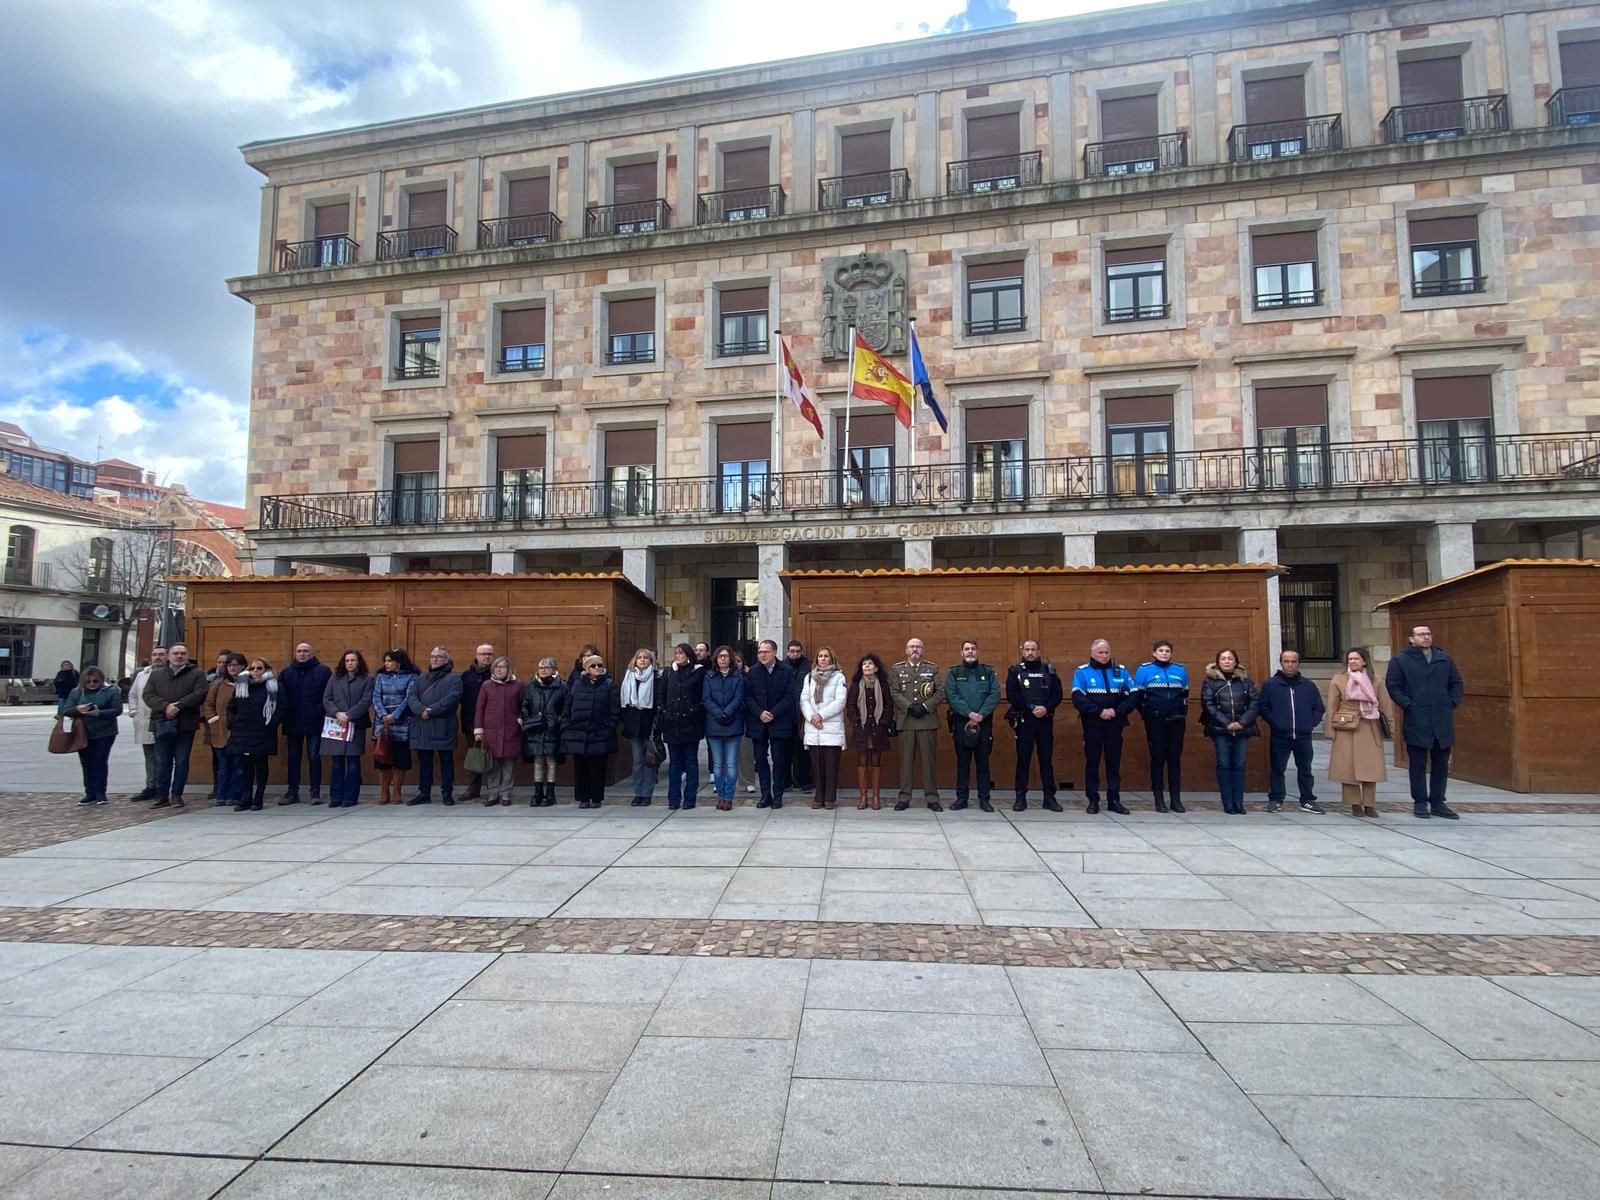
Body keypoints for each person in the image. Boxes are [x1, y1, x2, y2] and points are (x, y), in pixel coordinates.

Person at [1385, 624, 1463, 820]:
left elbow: (1456, 683)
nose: (1426, 637)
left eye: (1428, 634)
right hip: (1417, 720)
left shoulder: (1443, 659)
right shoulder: (1401, 660)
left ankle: (1438, 802)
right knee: (1418, 764)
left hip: (1441, 720)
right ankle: (1420, 802)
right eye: (1421, 634)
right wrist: (1408, 704)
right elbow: (1393, 685)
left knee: (1441, 764)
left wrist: (1451, 702)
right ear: (1411, 638)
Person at [1071, 639, 1138, 815]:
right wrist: (1099, 711)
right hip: (1093, 724)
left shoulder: (1121, 671)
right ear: (1092, 653)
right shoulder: (1082, 672)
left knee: (1114, 763)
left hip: (1115, 724)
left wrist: (1117, 711)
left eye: (1106, 652)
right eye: (1100, 652)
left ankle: (1114, 800)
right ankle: (1093, 800)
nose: (1104, 655)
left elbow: (1133, 696)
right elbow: (1078, 698)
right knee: (1092, 762)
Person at [1328, 647, 1395, 818]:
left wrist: (1390, 729)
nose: (1353, 662)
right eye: (1350, 659)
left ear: (1364, 661)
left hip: (1369, 726)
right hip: (1347, 727)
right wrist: (1330, 731)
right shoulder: (1339, 679)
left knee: (1370, 768)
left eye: (1356, 659)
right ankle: (1355, 804)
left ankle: (1370, 804)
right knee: (1348, 769)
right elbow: (1332, 706)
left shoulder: (1376, 680)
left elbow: (1385, 705)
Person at [1258, 649, 1327, 814]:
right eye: (1286, 661)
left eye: (1293, 661)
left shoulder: (1308, 685)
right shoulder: (1270, 685)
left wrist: (1310, 723)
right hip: (1280, 735)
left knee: (1305, 769)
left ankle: (1307, 800)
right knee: (1278, 768)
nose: (1290, 664)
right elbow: (1264, 707)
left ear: (1298, 663)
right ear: (1281, 663)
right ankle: (1276, 799)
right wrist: (1276, 723)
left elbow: (1318, 708)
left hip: (1303, 735)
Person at [142, 642, 209, 809]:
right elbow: (148, 694)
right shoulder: (157, 675)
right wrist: (165, 707)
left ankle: (177, 794)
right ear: (169, 656)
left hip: (185, 724)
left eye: (183, 653)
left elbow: (200, 693)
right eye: (176, 653)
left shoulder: (197, 674)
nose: (179, 656)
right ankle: (162, 795)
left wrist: (178, 706)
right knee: (162, 761)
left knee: (181, 761)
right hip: (162, 722)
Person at [1132, 639, 1188, 814]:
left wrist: (1181, 712)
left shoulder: (1179, 670)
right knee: (1158, 759)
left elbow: (1185, 693)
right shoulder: (1144, 670)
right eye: (1161, 650)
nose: (1164, 653)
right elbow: (1137, 696)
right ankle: (1159, 799)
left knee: (1174, 759)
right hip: (1155, 719)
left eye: (1167, 651)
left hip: (1176, 720)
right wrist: (1147, 714)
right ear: (1154, 653)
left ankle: (1176, 799)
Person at [1201, 648, 1260, 815]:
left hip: (1242, 729)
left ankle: (1238, 802)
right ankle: (1227, 802)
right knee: (1224, 764)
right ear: (1218, 662)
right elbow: (1208, 705)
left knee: (1239, 765)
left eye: (1230, 658)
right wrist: (1227, 722)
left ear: (1236, 662)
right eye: (1223, 659)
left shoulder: (1246, 682)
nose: (1227, 661)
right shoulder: (1210, 682)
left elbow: (1254, 703)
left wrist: (1241, 722)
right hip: (1220, 729)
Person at [1006, 640, 1062, 813]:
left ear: (1039, 651)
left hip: (1045, 720)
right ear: (1022, 651)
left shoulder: (1049, 671)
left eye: (1033, 649)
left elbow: (1057, 694)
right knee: (1023, 760)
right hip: (1025, 721)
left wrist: (1046, 708)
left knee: (1046, 760)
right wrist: (1030, 708)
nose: (1030, 652)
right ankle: (1020, 798)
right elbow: (1012, 694)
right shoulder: (1015, 671)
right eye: (1027, 649)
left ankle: (1049, 798)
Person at [890, 637, 945, 812]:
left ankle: (932, 798)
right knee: (905, 762)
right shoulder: (897, 669)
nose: (915, 650)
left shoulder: (932, 668)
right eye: (912, 647)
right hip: (906, 721)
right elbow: (894, 691)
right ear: (906, 650)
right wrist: (909, 707)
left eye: (918, 647)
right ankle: (904, 797)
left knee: (929, 762)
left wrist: (924, 706)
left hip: (926, 720)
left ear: (923, 650)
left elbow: (940, 691)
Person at [945, 639, 999, 812]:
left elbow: (995, 695)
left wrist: (980, 715)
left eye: (973, 649)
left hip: (984, 723)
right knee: (963, 763)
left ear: (978, 652)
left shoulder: (988, 672)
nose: (970, 652)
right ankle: (962, 798)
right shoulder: (954, 672)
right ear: (961, 653)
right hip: (962, 723)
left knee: (983, 763)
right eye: (966, 649)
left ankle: (984, 799)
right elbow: (952, 695)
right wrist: (969, 714)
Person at [275, 642, 332, 805]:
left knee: (314, 757)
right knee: (293, 758)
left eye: (305, 651)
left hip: (314, 721)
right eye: (299, 651)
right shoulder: (287, 672)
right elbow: (281, 696)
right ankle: (292, 791)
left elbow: (328, 695)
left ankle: (315, 792)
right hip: (293, 721)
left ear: (312, 653)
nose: (302, 654)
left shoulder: (323, 671)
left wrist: (318, 710)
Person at [562, 654, 620, 808]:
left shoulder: (608, 684)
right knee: (581, 767)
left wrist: (610, 725)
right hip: (578, 731)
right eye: (593, 666)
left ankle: (596, 798)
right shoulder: (577, 684)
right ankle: (583, 798)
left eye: (599, 666)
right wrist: (567, 724)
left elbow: (615, 707)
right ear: (587, 668)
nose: (597, 669)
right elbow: (568, 706)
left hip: (600, 731)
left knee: (598, 767)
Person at [407, 646, 463, 806]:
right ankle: (424, 793)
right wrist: (421, 710)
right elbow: (411, 696)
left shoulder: (454, 679)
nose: (435, 659)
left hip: (443, 725)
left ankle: (447, 793)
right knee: (424, 761)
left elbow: (452, 699)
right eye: (433, 656)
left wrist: (430, 711)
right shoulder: (421, 678)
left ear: (447, 659)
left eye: (439, 656)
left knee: (446, 761)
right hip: (422, 725)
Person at [745, 639, 795, 809]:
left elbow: (790, 696)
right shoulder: (752, 672)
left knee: (779, 760)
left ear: (774, 652)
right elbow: (748, 697)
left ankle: (778, 795)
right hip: (758, 723)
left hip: (779, 721)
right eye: (760, 652)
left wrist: (773, 713)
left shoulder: (786, 671)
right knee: (760, 759)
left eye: (766, 652)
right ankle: (765, 794)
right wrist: (760, 713)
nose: (762, 655)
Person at [227, 657, 281, 811]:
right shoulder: (241, 685)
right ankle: (246, 797)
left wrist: (271, 724)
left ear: (266, 669)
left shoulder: (273, 686)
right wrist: (232, 722)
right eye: (253, 668)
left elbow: (281, 707)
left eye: (259, 668)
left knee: (261, 765)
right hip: (242, 731)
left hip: (262, 731)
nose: (255, 671)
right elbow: (232, 706)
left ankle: (259, 797)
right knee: (245, 767)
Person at [322, 650, 374, 808]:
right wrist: (336, 712)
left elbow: (366, 701)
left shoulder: (367, 679)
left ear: (359, 662)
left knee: (352, 762)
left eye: (353, 660)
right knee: (337, 762)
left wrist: (349, 714)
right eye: (347, 660)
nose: (350, 663)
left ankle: (350, 797)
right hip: (337, 723)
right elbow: (327, 698)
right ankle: (336, 796)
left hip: (355, 724)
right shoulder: (335, 677)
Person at [62, 665, 121, 805]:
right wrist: (77, 709)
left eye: (95, 681)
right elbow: (67, 710)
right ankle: (90, 793)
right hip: (83, 732)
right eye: (88, 682)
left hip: (105, 732)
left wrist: (99, 712)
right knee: (87, 763)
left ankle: (101, 793)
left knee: (100, 761)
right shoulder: (76, 692)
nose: (92, 684)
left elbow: (117, 709)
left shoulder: (110, 691)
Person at [658, 643, 705, 811]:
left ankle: (690, 798)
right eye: (676, 653)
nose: (678, 656)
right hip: (672, 723)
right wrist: (664, 711)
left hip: (691, 724)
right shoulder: (669, 672)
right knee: (674, 764)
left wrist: (695, 710)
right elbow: (661, 694)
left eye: (681, 653)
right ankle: (673, 798)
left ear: (688, 655)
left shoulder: (698, 672)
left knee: (691, 762)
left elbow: (702, 696)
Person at [801, 646, 847, 809]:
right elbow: (804, 699)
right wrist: (812, 717)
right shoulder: (809, 677)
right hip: (814, 728)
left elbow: (840, 702)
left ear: (831, 659)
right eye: (820, 656)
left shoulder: (838, 677)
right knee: (817, 766)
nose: (822, 659)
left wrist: (821, 716)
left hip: (831, 727)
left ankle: (830, 798)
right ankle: (818, 797)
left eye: (826, 656)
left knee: (831, 765)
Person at [845, 652, 893, 810]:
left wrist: (884, 723)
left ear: (876, 668)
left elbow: (888, 706)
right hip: (862, 730)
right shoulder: (856, 684)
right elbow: (850, 705)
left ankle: (876, 797)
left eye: (870, 664)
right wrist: (856, 722)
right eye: (864, 664)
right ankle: (863, 797)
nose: (867, 666)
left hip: (878, 730)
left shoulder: (883, 685)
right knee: (862, 761)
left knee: (876, 761)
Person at [473, 655, 522, 807]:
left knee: (509, 764)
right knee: (492, 764)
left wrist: (520, 721)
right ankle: (493, 793)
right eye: (496, 667)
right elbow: (480, 708)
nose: (499, 670)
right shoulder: (487, 685)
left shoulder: (518, 685)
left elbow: (524, 706)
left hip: (511, 730)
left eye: (502, 667)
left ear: (509, 669)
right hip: (490, 730)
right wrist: (478, 729)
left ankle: (506, 794)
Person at [371, 649, 419, 805]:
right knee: (383, 757)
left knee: (399, 759)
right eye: (385, 661)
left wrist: (395, 715)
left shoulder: (411, 676)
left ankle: (397, 791)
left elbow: (408, 698)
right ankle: (383, 793)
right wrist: (383, 715)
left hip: (402, 722)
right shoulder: (380, 676)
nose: (386, 664)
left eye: (390, 661)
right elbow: (376, 697)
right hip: (382, 723)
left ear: (399, 662)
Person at [521, 657, 568, 807]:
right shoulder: (531, 686)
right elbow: (525, 705)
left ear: (554, 669)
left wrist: (557, 721)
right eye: (541, 667)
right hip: (535, 729)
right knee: (538, 761)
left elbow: (566, 709)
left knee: (551, 760)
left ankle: (550, 793)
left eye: (546, 667)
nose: (543, 670)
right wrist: (529, 720)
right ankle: (537, 792)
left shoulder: (562, 687)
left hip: (552, 729)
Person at [703, 646, 745, 811]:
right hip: (714, 725)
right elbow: (706, 699)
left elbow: (738, 697)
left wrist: (727, 713)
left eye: (726, 656)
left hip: (733, 723)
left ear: (731, 659)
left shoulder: (738, 678)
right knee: (718, 764)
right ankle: (720, 795)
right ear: (715, 659)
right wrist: (718, 713)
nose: (723, 659)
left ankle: (729, 797)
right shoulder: (709, 677)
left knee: (732, 763)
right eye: (720, 656)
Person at [202, 653, 246, 808]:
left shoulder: (247, 684)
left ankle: (235, 795)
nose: (233, 668)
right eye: (230, 665)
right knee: (223, 766)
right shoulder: (219, 685)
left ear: (242, 666)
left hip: (240, 731)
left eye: (236, 665)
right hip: (221, 730)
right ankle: (221, 794)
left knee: (238, 766)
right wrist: (213, 719)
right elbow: (208, 704)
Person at [620, 648, 661, 806]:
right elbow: (624, 701)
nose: (642, 660)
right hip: (634, 722)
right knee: (637, 760)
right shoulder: (629, 677)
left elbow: (659, 702)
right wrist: (626, 719)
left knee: (649, 759)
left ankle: (647, 793)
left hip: (649, 723)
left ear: (651, 661)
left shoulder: (656, 678)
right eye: (640, 658)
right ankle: (637, 792)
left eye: (646, 658)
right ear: (635, 660)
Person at [128, 647, 167, 802]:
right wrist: (134, 710)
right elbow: (132, 694)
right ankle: (150, 785)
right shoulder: (142, 674)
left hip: (162, 720)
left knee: (162, 756)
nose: (157, 657)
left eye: (161, 655)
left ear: (167, 657)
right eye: (155, 654)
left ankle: (161, 787)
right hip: (143, 720)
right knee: (149, 756)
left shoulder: (170, 674)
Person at [459, 643, 495, 800]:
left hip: (494, 723)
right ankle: (473, 789)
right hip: (471, 723)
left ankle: (494, 790)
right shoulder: (466, 676)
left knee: (495, 756)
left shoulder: (498, 674)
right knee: (475, 755)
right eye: (483, 654)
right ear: (477, 655)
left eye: (489, 654)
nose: (486, 657)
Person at [785, 640, 813, 793]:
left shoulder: (808, 666)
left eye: (798, 651)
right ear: (788, 652)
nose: (795, 654)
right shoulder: (782, 666)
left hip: (803, 715)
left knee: (804, 750)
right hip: (785, 714)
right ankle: (785, 781)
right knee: (785, 751)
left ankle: (804, 781)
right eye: (792, 651)